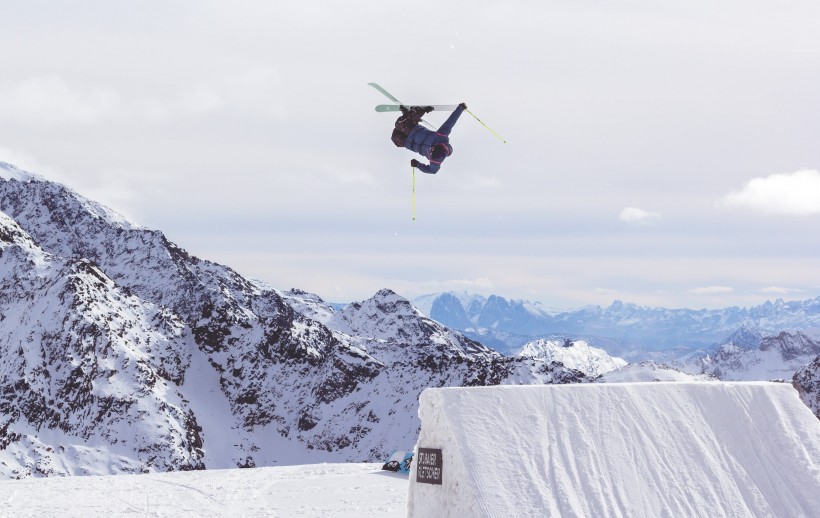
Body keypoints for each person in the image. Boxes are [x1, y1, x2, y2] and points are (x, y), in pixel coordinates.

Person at [391, 102, 467, 174]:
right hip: (413, 131)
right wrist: (460, 109)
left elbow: (432, 171)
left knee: (395, 138)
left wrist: (417, 165)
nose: (431, 149)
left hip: (408, 143)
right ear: (439, 146)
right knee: (399, 124)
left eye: (431, 151)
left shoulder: (435, 162)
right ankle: (418, 111)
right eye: (433, 149)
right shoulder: (442, 137)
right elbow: (450, 123)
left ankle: (408, 118)